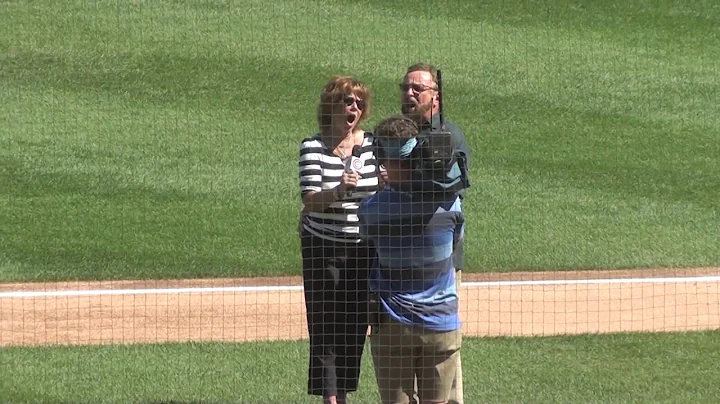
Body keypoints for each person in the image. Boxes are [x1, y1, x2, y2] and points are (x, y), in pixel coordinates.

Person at [358, 115, 466, 404]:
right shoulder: (451, 205)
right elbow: (456, 241)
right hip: (441, 323)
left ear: (382, 157)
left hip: (393, 326)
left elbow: (369, 241)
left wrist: (386, 191)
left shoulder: (371, 209)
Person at [298, 75, 383, 404]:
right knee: (325, 327)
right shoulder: (313, 147)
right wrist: (336, 191)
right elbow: (309, 199)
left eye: (359, 103)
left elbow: (386, 188)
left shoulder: (373, 145)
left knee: (354, 327)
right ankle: (331, 400)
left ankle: (343, 393)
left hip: (364, 250)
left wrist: (388, 181)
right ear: (332, 105)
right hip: (324, 248)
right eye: (348, 101)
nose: (355, 108)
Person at [400, 63, 471, 404]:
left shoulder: (450, 136)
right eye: (406, 88)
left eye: (418, 89)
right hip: (399, 261)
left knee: (444, 351)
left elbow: (451, 187)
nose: (409, 94)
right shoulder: (395, 135)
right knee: (404, 351)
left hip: (440, 263)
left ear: (435, 97)